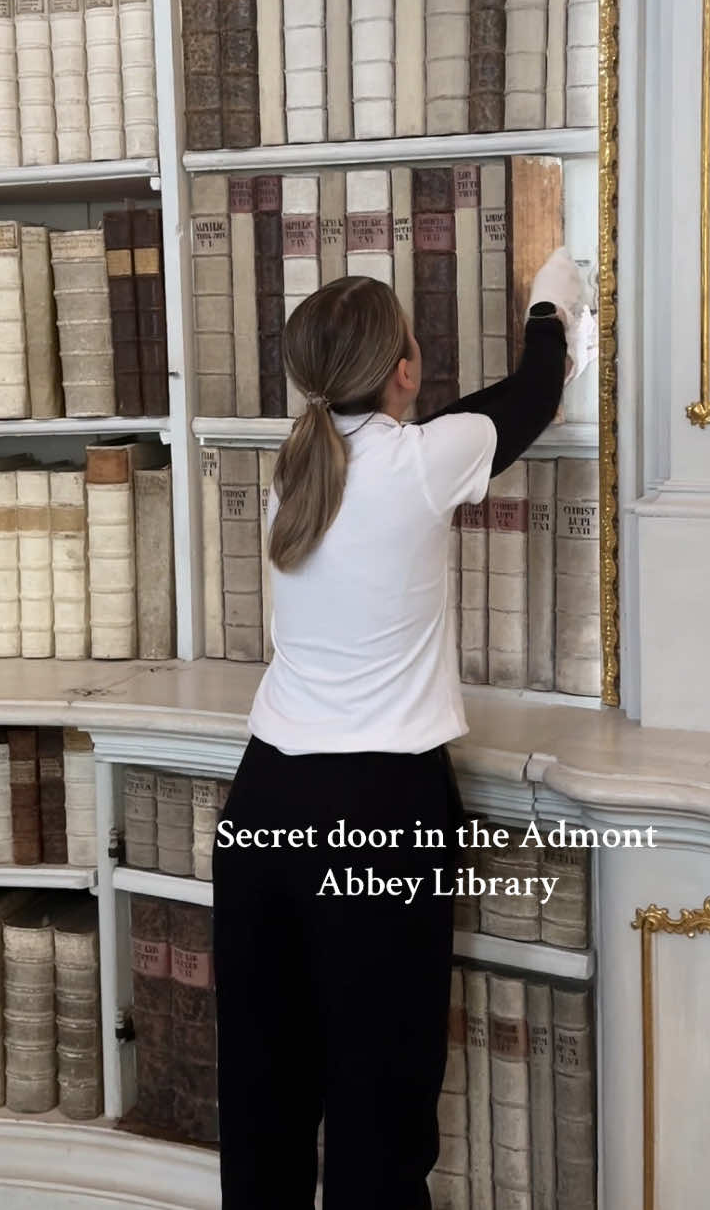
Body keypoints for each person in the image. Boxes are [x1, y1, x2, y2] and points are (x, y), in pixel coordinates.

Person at [212, 254, 582, 1209]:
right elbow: (533, 393)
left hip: (262, 808)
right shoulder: (422, 461)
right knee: (379, 1101)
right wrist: (551, 303)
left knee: (264, 1097)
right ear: (404, 370)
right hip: (377, 805)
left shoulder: (293, 466)